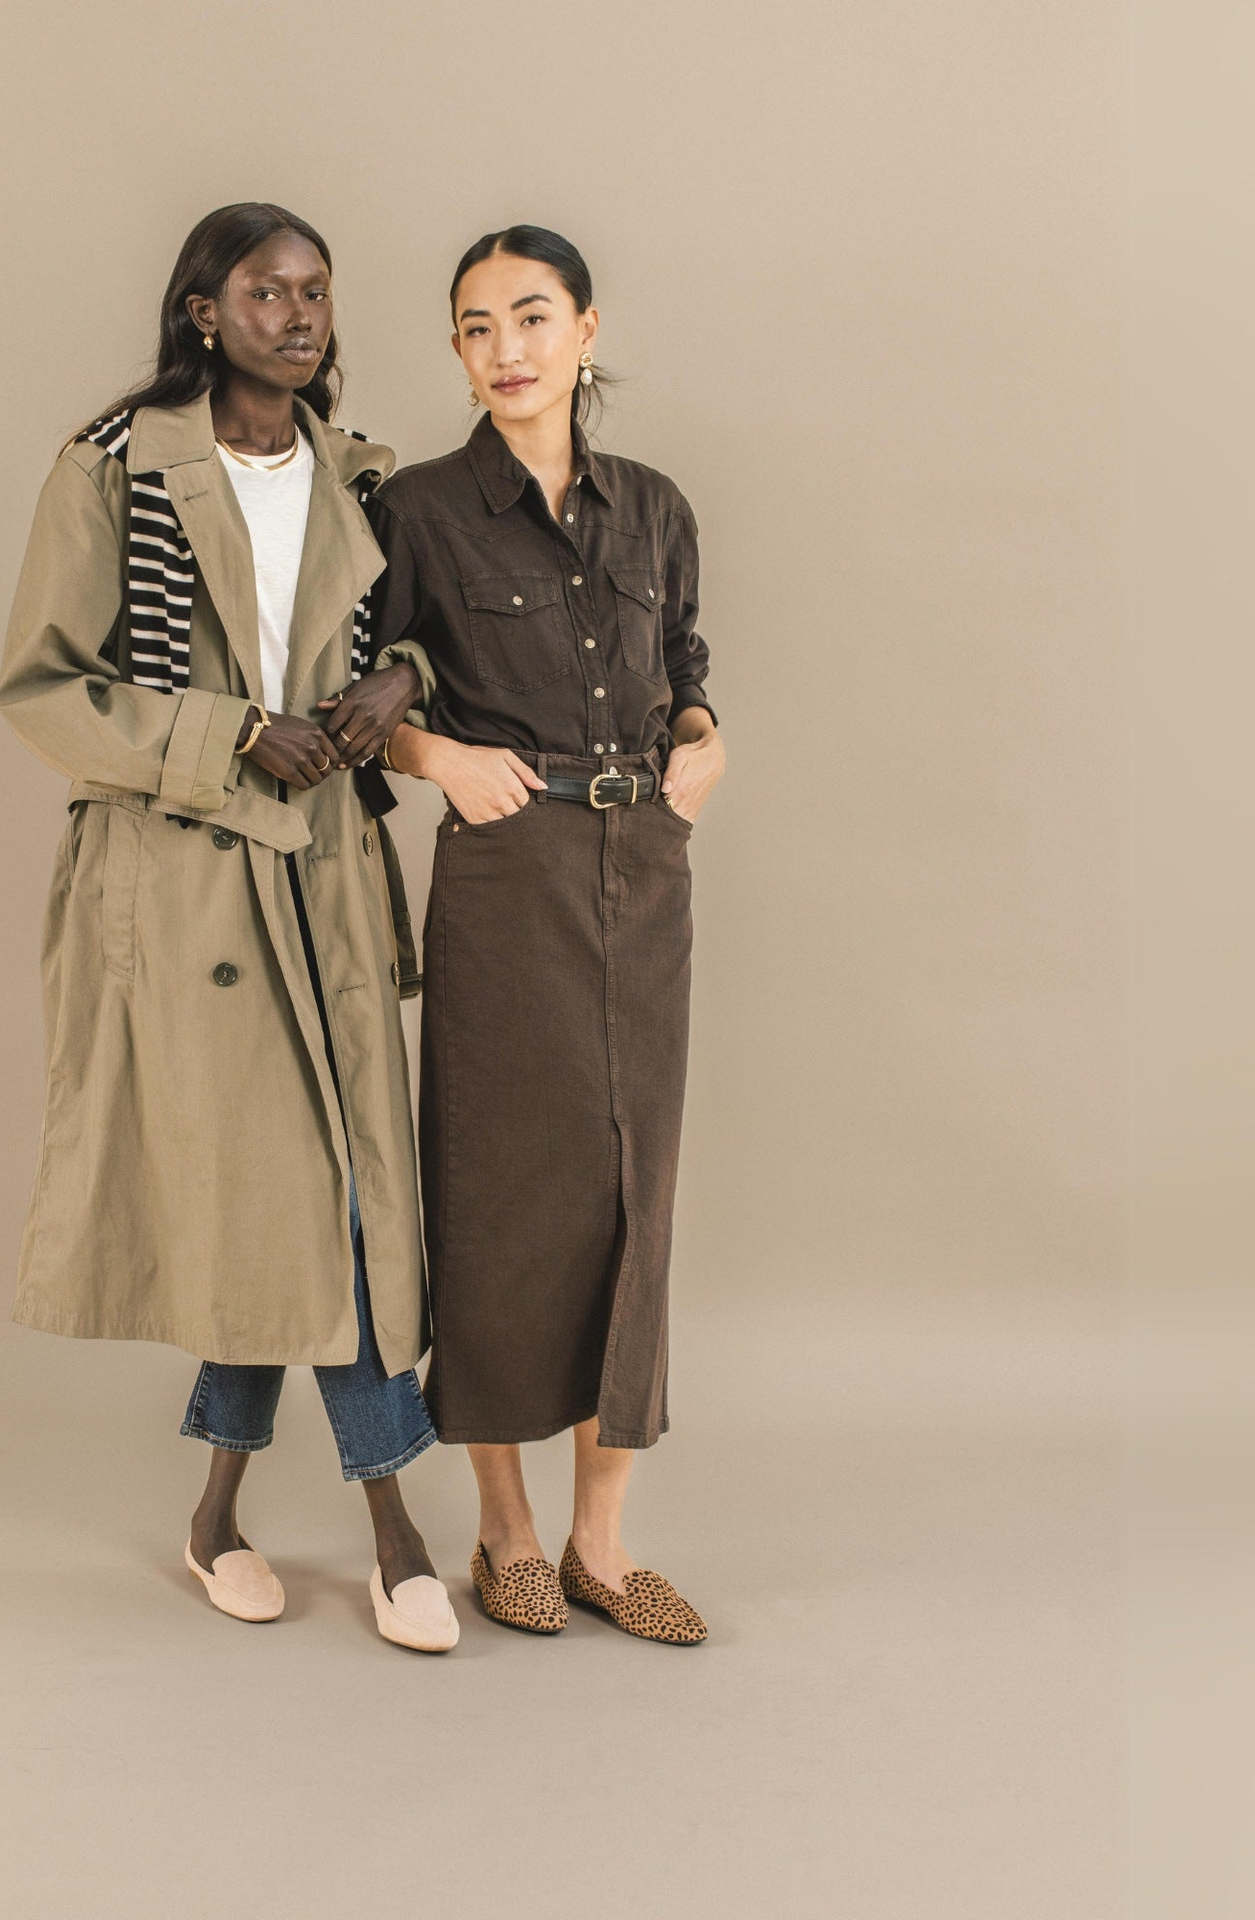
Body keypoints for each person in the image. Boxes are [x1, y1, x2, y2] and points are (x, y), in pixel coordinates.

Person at [0, 203, 455, 1653]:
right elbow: (45, 689)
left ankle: (216, 1513)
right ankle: (396, 1531)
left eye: (316, 291)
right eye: (266, 291)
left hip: (323, 866)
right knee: (300, 1197)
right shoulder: (115, 467)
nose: (299, 314)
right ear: (204, 310)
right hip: (188, 875)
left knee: (317, 1197)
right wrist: (225, 737)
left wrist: (400, 687)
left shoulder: (358, 471)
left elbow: (410, 639)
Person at [367, 225, 726, 1644]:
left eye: (530, 317)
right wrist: (433, 760)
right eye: (474, 328)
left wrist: (705, 743)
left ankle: (602, 1542)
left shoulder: (655, 509)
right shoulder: (423, 511)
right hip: (506, 874)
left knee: (637, 1192)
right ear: (458, 354)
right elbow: (353, 704)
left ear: (586, 330)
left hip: (645, 865)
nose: (504, 349)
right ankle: (503, 1532)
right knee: (501, 1189)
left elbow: (687, 669)